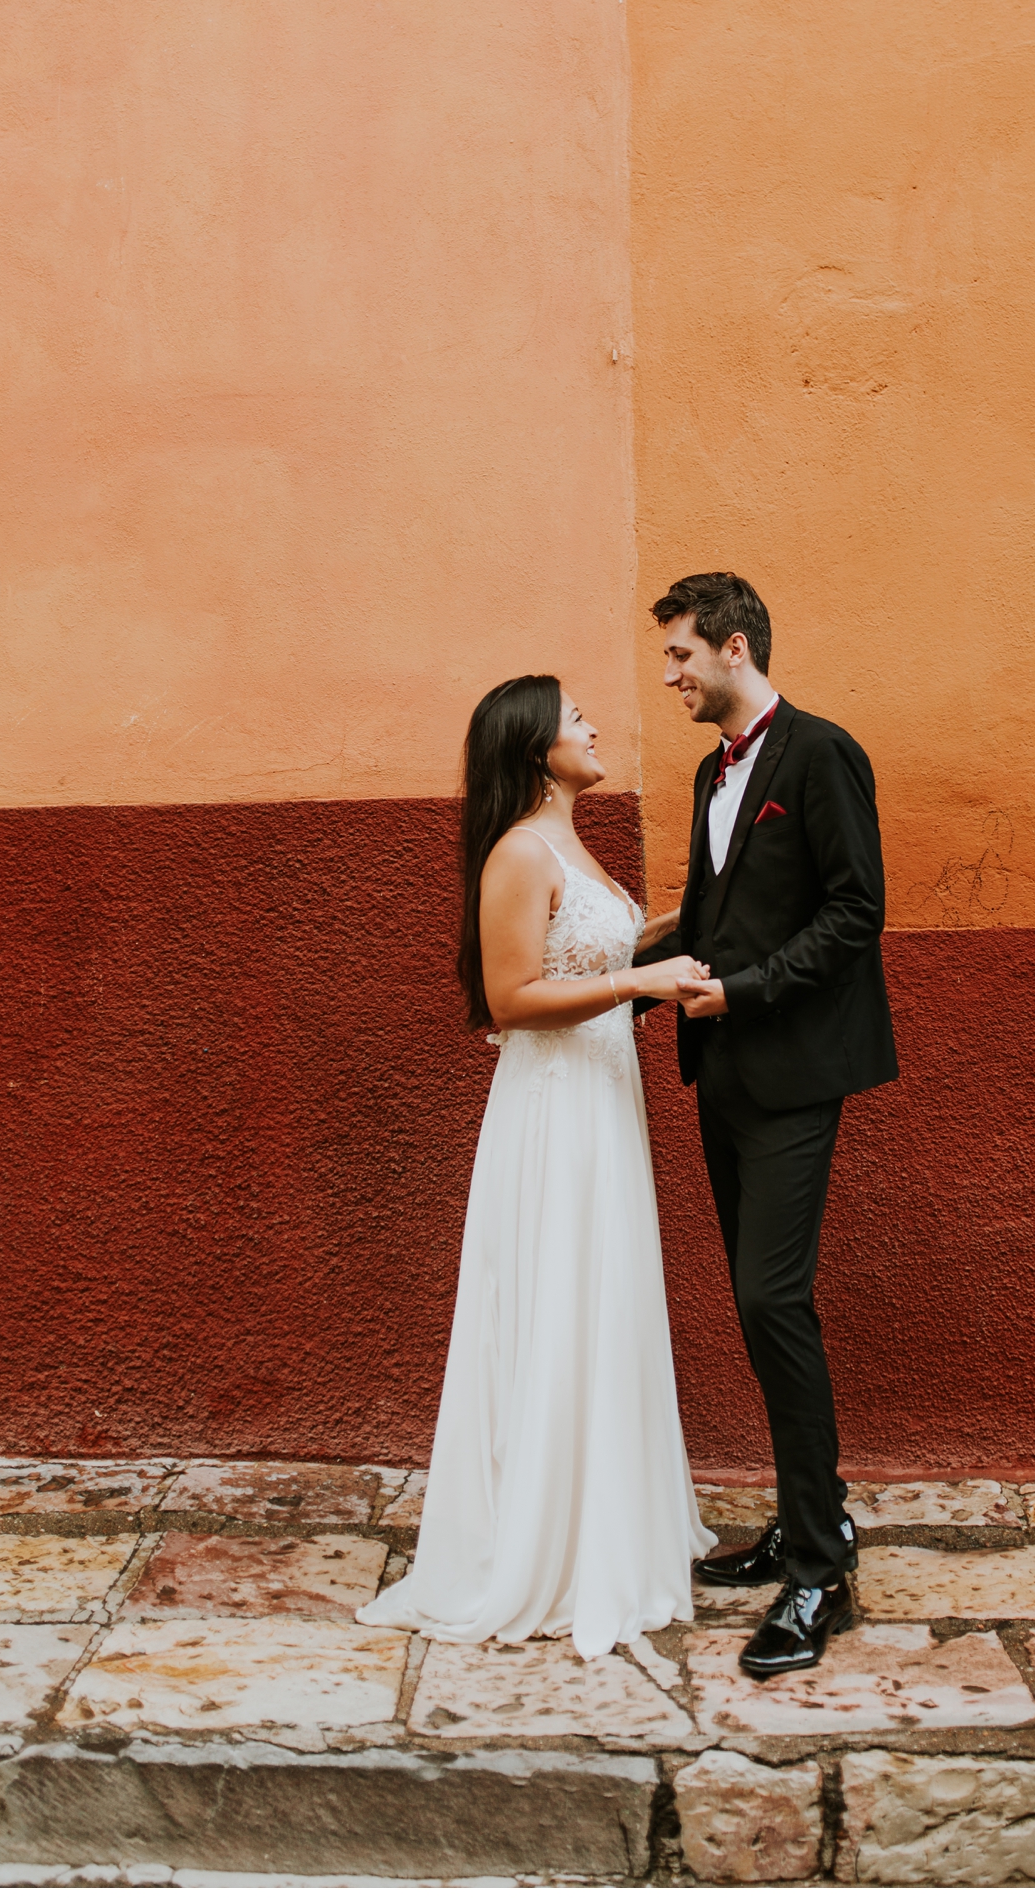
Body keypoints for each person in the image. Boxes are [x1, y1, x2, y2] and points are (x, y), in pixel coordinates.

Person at [357, 674, 715, 1658]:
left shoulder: (569, 844)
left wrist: (689, 923)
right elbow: (513, 995)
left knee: (603, 1297)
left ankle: (604, 1519)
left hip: (601, 1097)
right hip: (554, 1107)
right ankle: (541, 1543)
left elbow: (600, 947)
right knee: (561, 1294)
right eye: (577, 718)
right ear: (534, 745)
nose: (595, 727)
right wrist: (643, 975)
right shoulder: (517, 851)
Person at [646, 572, 898, 1678]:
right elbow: (715, 905)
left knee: (770, 1293)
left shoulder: (822, 752)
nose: (671, 677)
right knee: (757, 1298)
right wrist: (612, 958)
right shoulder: (713, 769)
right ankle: (805, 1521)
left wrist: (744, 991)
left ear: (733, 645)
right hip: (726, 1071)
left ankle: (821, 1569)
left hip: (795, 1069)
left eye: (682, 657)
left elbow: (856, 910)